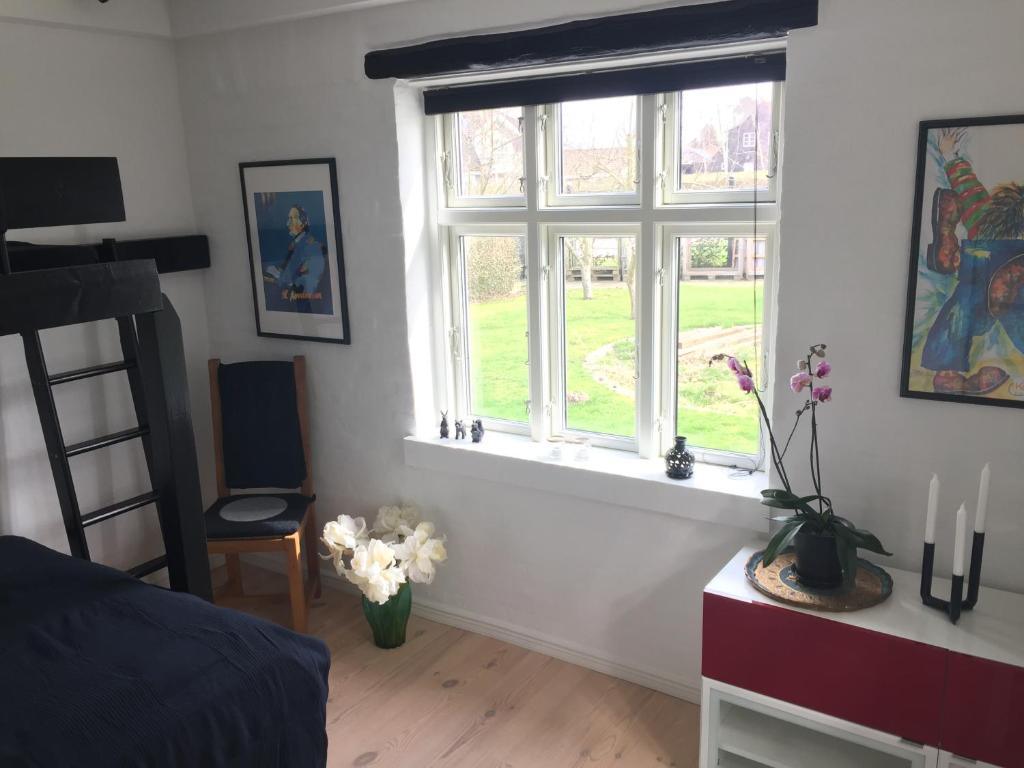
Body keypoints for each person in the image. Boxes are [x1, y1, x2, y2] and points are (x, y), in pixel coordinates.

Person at [922, 127, 1024, 395]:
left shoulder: (981, 214)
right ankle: (946, 370)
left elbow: (968, 187)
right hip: (980, 287)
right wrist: (949, 155)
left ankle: (947, 370)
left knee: (964, 315)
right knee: (962, 314)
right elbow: (967, 187)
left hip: (991, 289)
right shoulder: (982, 216)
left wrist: (949, 154)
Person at [263, 205, 328, 307]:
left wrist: (273, 278)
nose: (287, 223)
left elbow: (292, 279)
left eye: (291, 219)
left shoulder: (309, 247)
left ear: (303, 223)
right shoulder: (296, 245)